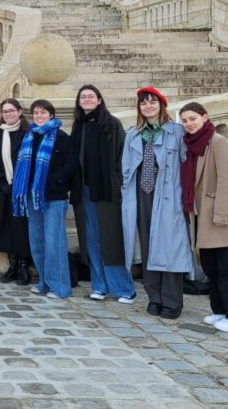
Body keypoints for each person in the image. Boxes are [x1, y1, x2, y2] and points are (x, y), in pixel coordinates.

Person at [180, 102, 228, 333]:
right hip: (202, 214)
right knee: (213, 268)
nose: (189, 124)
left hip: (218, 215)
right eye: (184, 120)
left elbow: (227, 182)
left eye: (193, 118)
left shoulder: (217, 142)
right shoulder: (191, 144)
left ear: (205, 117)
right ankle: (221, 311)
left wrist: (221, 215)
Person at [122, 86, 191, 319]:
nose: (148, 106)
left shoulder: (176, 132)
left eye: (153, 102)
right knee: (147, 244)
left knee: (169, 246)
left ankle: (172, 300)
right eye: (144, 103)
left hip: (168, 195)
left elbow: (186, 164)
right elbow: (127, 167)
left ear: (162, 105)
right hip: (142, 194)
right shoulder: (133, 134)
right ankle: (154, 296)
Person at [70, 85, 135, 304]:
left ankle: (123, 288)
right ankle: (99, 285)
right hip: (84, 190)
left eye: (91, 96)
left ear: (99, 100)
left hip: (107, 190)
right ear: (79, 102)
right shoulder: (79, 126)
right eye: (83, 97)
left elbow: (122, 157)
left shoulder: (111, 124)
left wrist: (118, 184)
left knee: (110, 239)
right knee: (91, 239)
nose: (87, 99)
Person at [13, 99, 77, 299]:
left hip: (54, 198)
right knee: (37, 241)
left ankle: (59, 286)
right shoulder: (28, 137)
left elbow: (71, 165)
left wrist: (57, 180)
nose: (39, 116)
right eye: (36, 113)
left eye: (43, 112)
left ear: (51, 115)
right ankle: (44, 282)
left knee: (54, 242)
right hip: (33, 198)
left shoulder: (61, 137)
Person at [0, 99, 32, 286]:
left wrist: (18, 184)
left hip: (22, 188)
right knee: (5, 227)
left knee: (21, 228)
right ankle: (13, 265)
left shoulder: (28, 133)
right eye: (5, 111)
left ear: (19, 112)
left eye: (11, 110)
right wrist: (2, 183)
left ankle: (23, 266)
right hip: (3, 187)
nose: (8, 114)